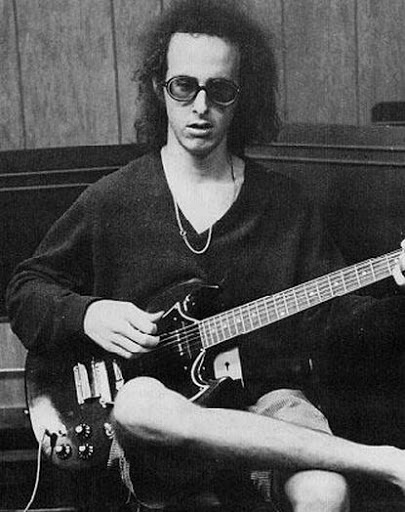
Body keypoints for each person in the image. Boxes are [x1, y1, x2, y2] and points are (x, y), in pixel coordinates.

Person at [6, 1, 405, 511]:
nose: (200, 106)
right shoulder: (114, 199)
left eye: (220, 90)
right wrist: (88, 313)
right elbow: (26, 291)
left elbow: (338, 319)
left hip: (266, 402)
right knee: (139, 403)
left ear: (241, 97)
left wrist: (395, 286)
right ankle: (383, 461)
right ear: (160, 88)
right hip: (158, 415)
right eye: (183, 86)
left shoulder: (284, 203)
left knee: (327, 493)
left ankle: (369, 463)